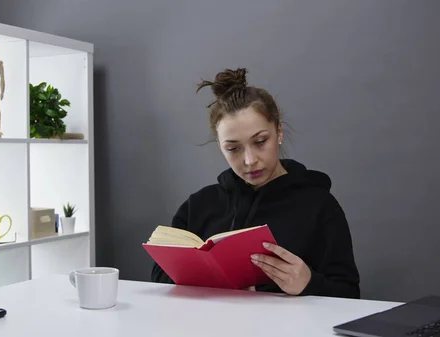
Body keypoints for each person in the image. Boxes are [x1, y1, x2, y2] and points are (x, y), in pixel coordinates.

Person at [150, 68, 360, 299]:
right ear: (220, 146)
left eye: (260, 141)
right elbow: (160, 277)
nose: (250, 160)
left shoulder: (320, 205)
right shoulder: (198, 205)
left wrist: (309, 283)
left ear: (278, 132)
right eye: (233, 148)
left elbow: (349, 294)